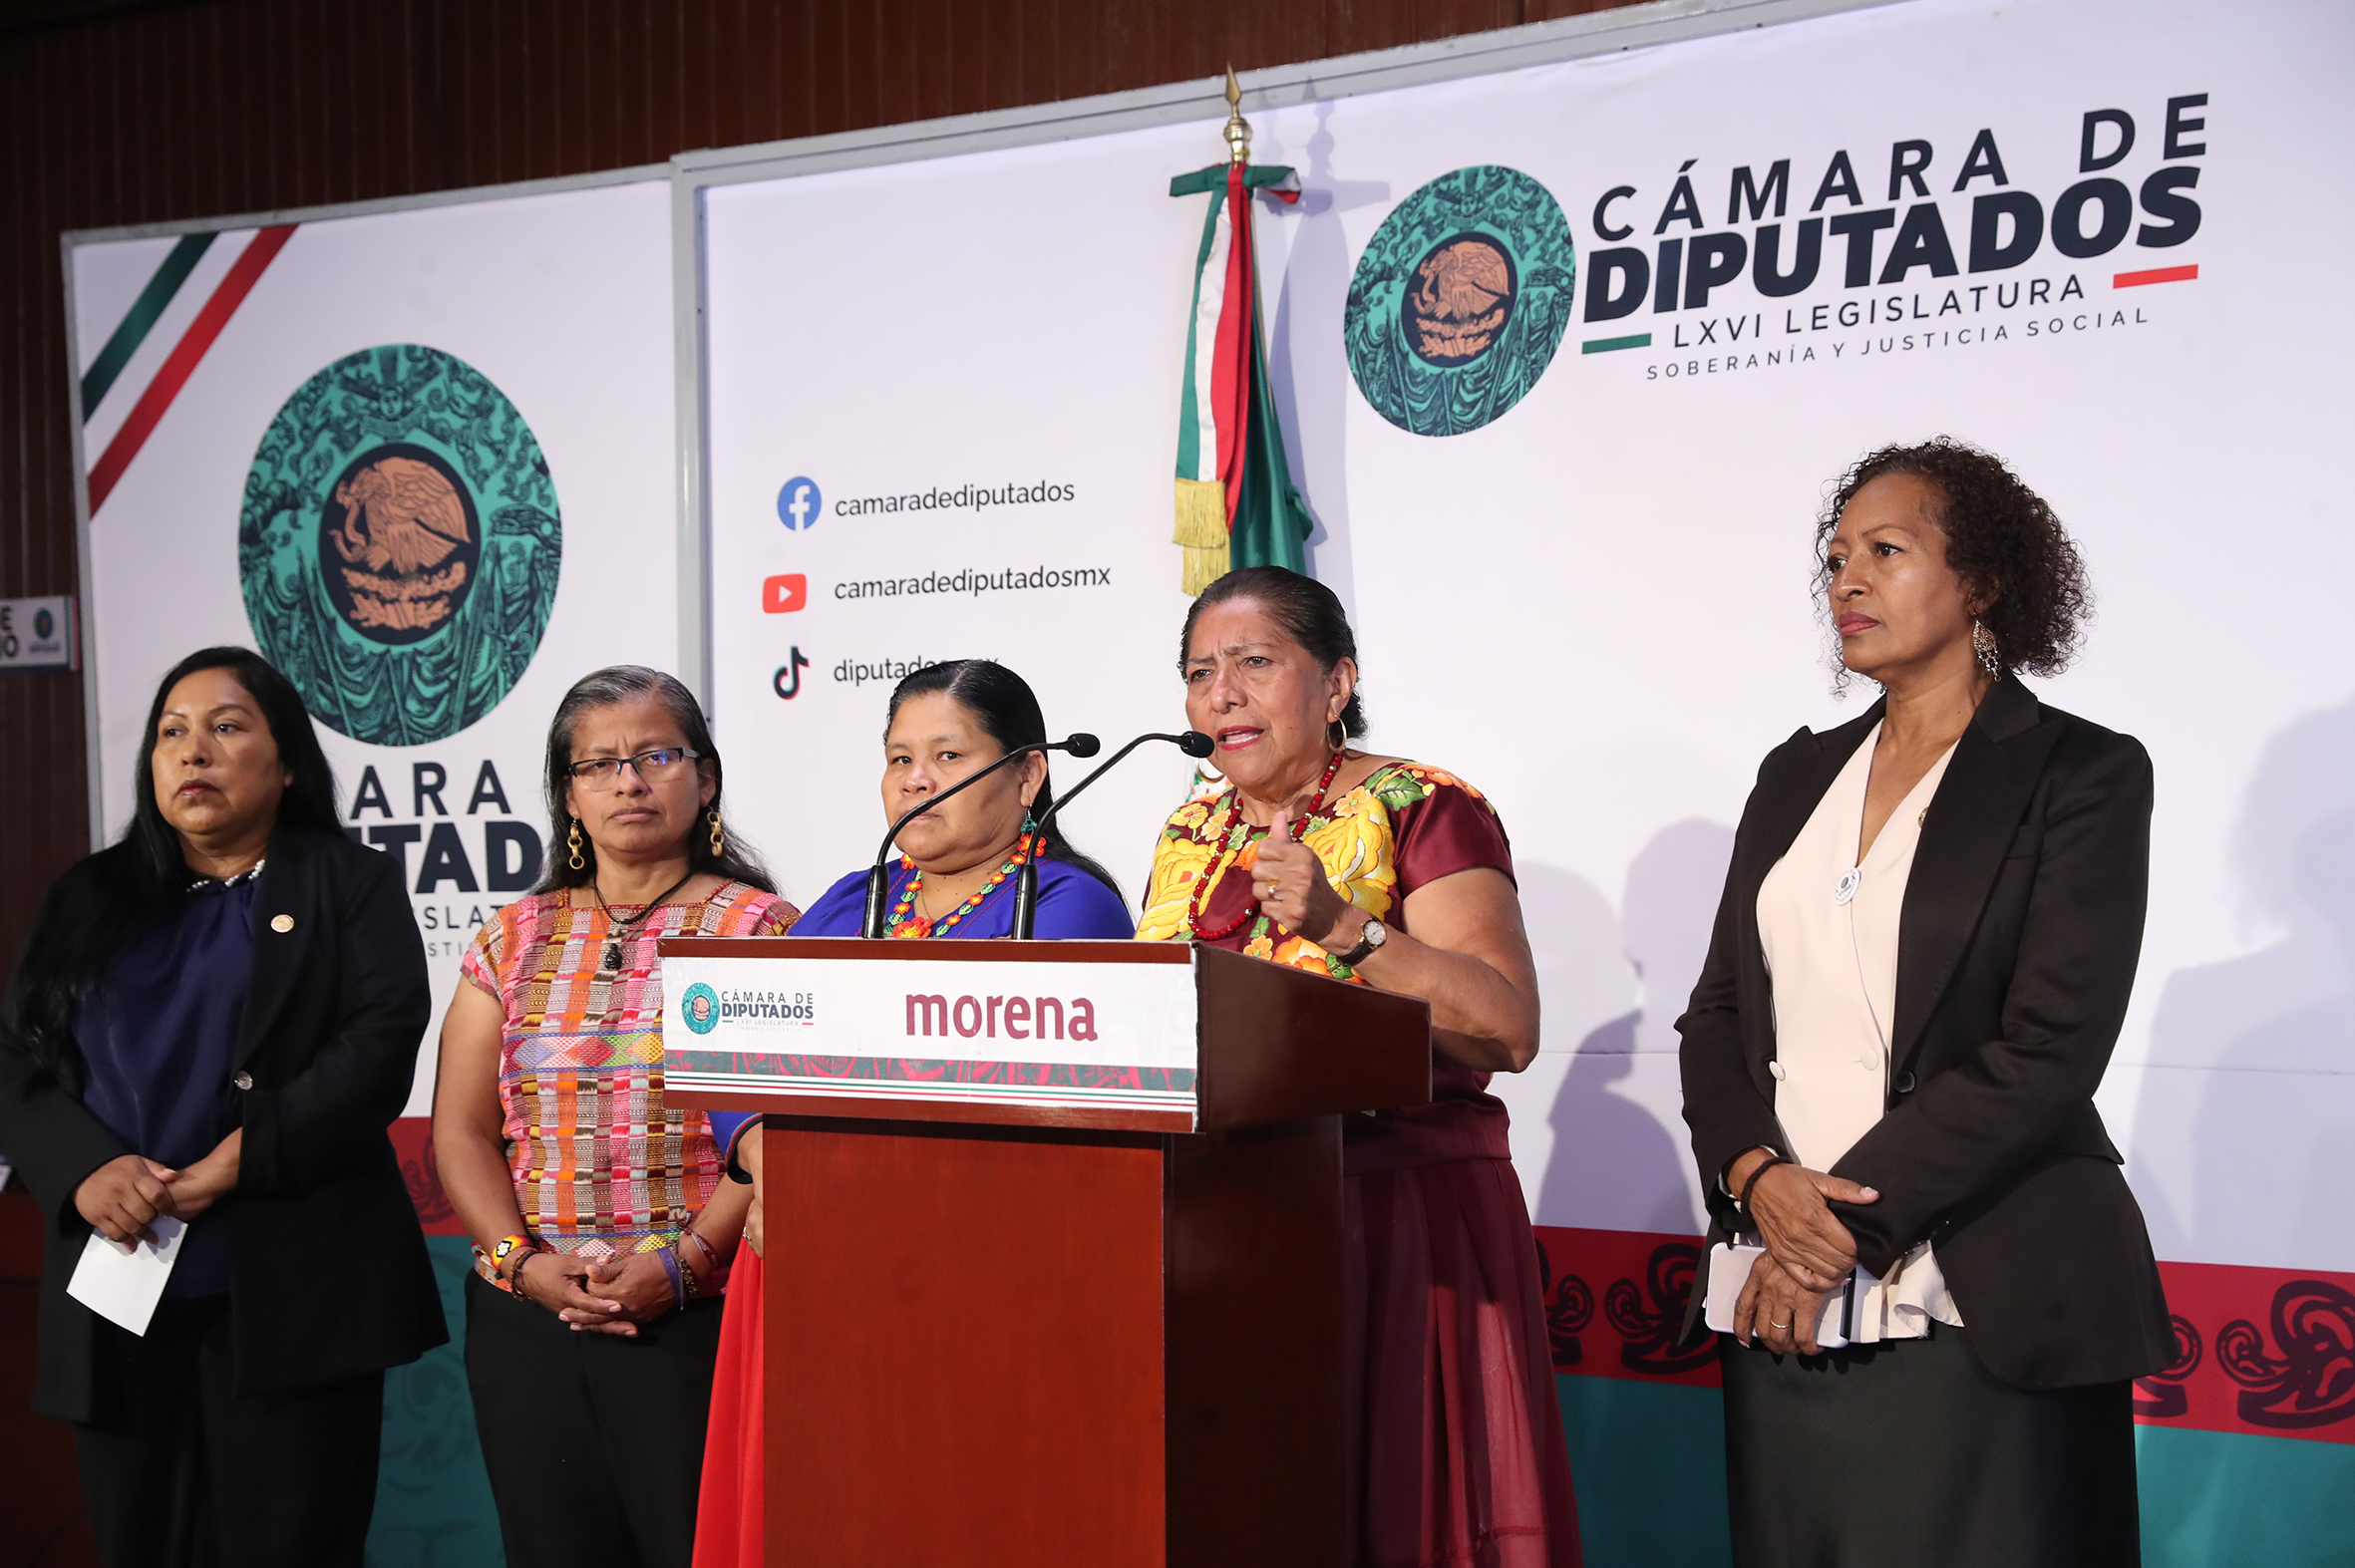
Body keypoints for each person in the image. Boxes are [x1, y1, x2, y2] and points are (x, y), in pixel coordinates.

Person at [1676, 439, 2172, 1566]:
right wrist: (1756, 1178)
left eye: (1886, 551)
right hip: (1780, 1285)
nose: (1846, 580)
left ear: (1981, 581)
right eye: (1835, 557)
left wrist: (1832, 1230)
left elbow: (2049, 1049)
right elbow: (1717, 1014)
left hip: (1979, 1290)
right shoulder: (1794, 774)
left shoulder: (2081, 772)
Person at [1132, 568, 1579, 1568]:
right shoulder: (1190, 830)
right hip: (1229, 1222)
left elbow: (1507, 1028)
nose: (1222, 693)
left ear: (1336, 683)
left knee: (1404, 1514)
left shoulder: (1423, 805)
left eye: (1254, 662)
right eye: (1200, 672)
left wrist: (1345, 927)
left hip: (1397, 1215)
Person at [0, 646, 444, 1567]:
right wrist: (85, 1170)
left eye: (225, 726)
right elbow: (16, 1059)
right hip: (121, 1280)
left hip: (294, 1284)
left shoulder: (347, 882)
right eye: (171, 732)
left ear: (286, 764)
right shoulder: (88, 895)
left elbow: (375, 1049)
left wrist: (234, 1162)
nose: (192, 750)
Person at [691, 658, 1134, 1568]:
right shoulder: (853, 897)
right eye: (900, 758)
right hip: (812, 1253)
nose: (916, 779)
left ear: (1028, 774)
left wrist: (840, 1184)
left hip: (975, 1266)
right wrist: (768, 1153)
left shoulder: (1066, 903)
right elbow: (738, 1047)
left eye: (947, 755)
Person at [432, 665, 797, 1568]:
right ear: (569, 795)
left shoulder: (761, 929)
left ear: (705, 779)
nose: (628, 781)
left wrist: (684, 1264)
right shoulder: (511, 937)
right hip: (529, 1319)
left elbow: (778, 1132)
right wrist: (522, 1264)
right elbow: (462, 1130)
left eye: (656, 756)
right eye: (598, 764)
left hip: (701, 1316)